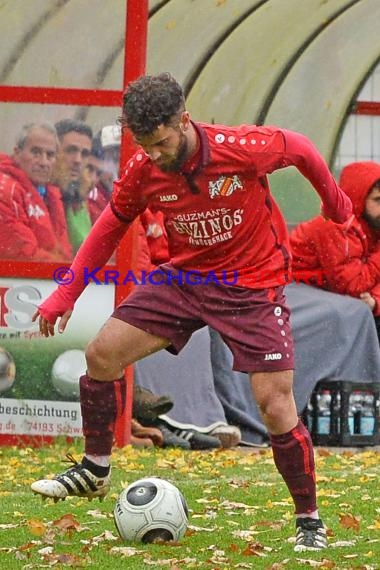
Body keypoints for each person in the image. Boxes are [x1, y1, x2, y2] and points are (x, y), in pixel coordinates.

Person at [31, 72, 352, 551]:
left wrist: (334, 201)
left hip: (252, 285)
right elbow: (109, 227)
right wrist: (66, 293)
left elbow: (302, 147)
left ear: (183, 120)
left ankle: (309, 521)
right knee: (101, 354)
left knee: (275, 405)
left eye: (160, 142)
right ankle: (95, 469)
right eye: (144, 144)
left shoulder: (239, 147)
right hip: (186, 278)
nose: (153, 154)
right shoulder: (144, 170)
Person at [290, 161, 380, 341]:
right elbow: (354, 287)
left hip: (326, 291)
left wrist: (376, 300)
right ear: (358, 197)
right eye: (378, 200)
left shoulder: (372, 225)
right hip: (294, 288)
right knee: (360, 312)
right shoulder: (336, 224)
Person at [0, 122, 72, 261]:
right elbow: (22, 252)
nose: (43, 162)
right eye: (36, 152)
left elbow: (64, 250)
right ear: (17, 153)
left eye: (50, 155)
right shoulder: (5, 190)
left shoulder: (52, 195)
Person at [53, 119, 94, 253]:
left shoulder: (81, 195)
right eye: (71, 150)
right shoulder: (42, 195)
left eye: (84, 154)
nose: (78, 160)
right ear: (54, 152)